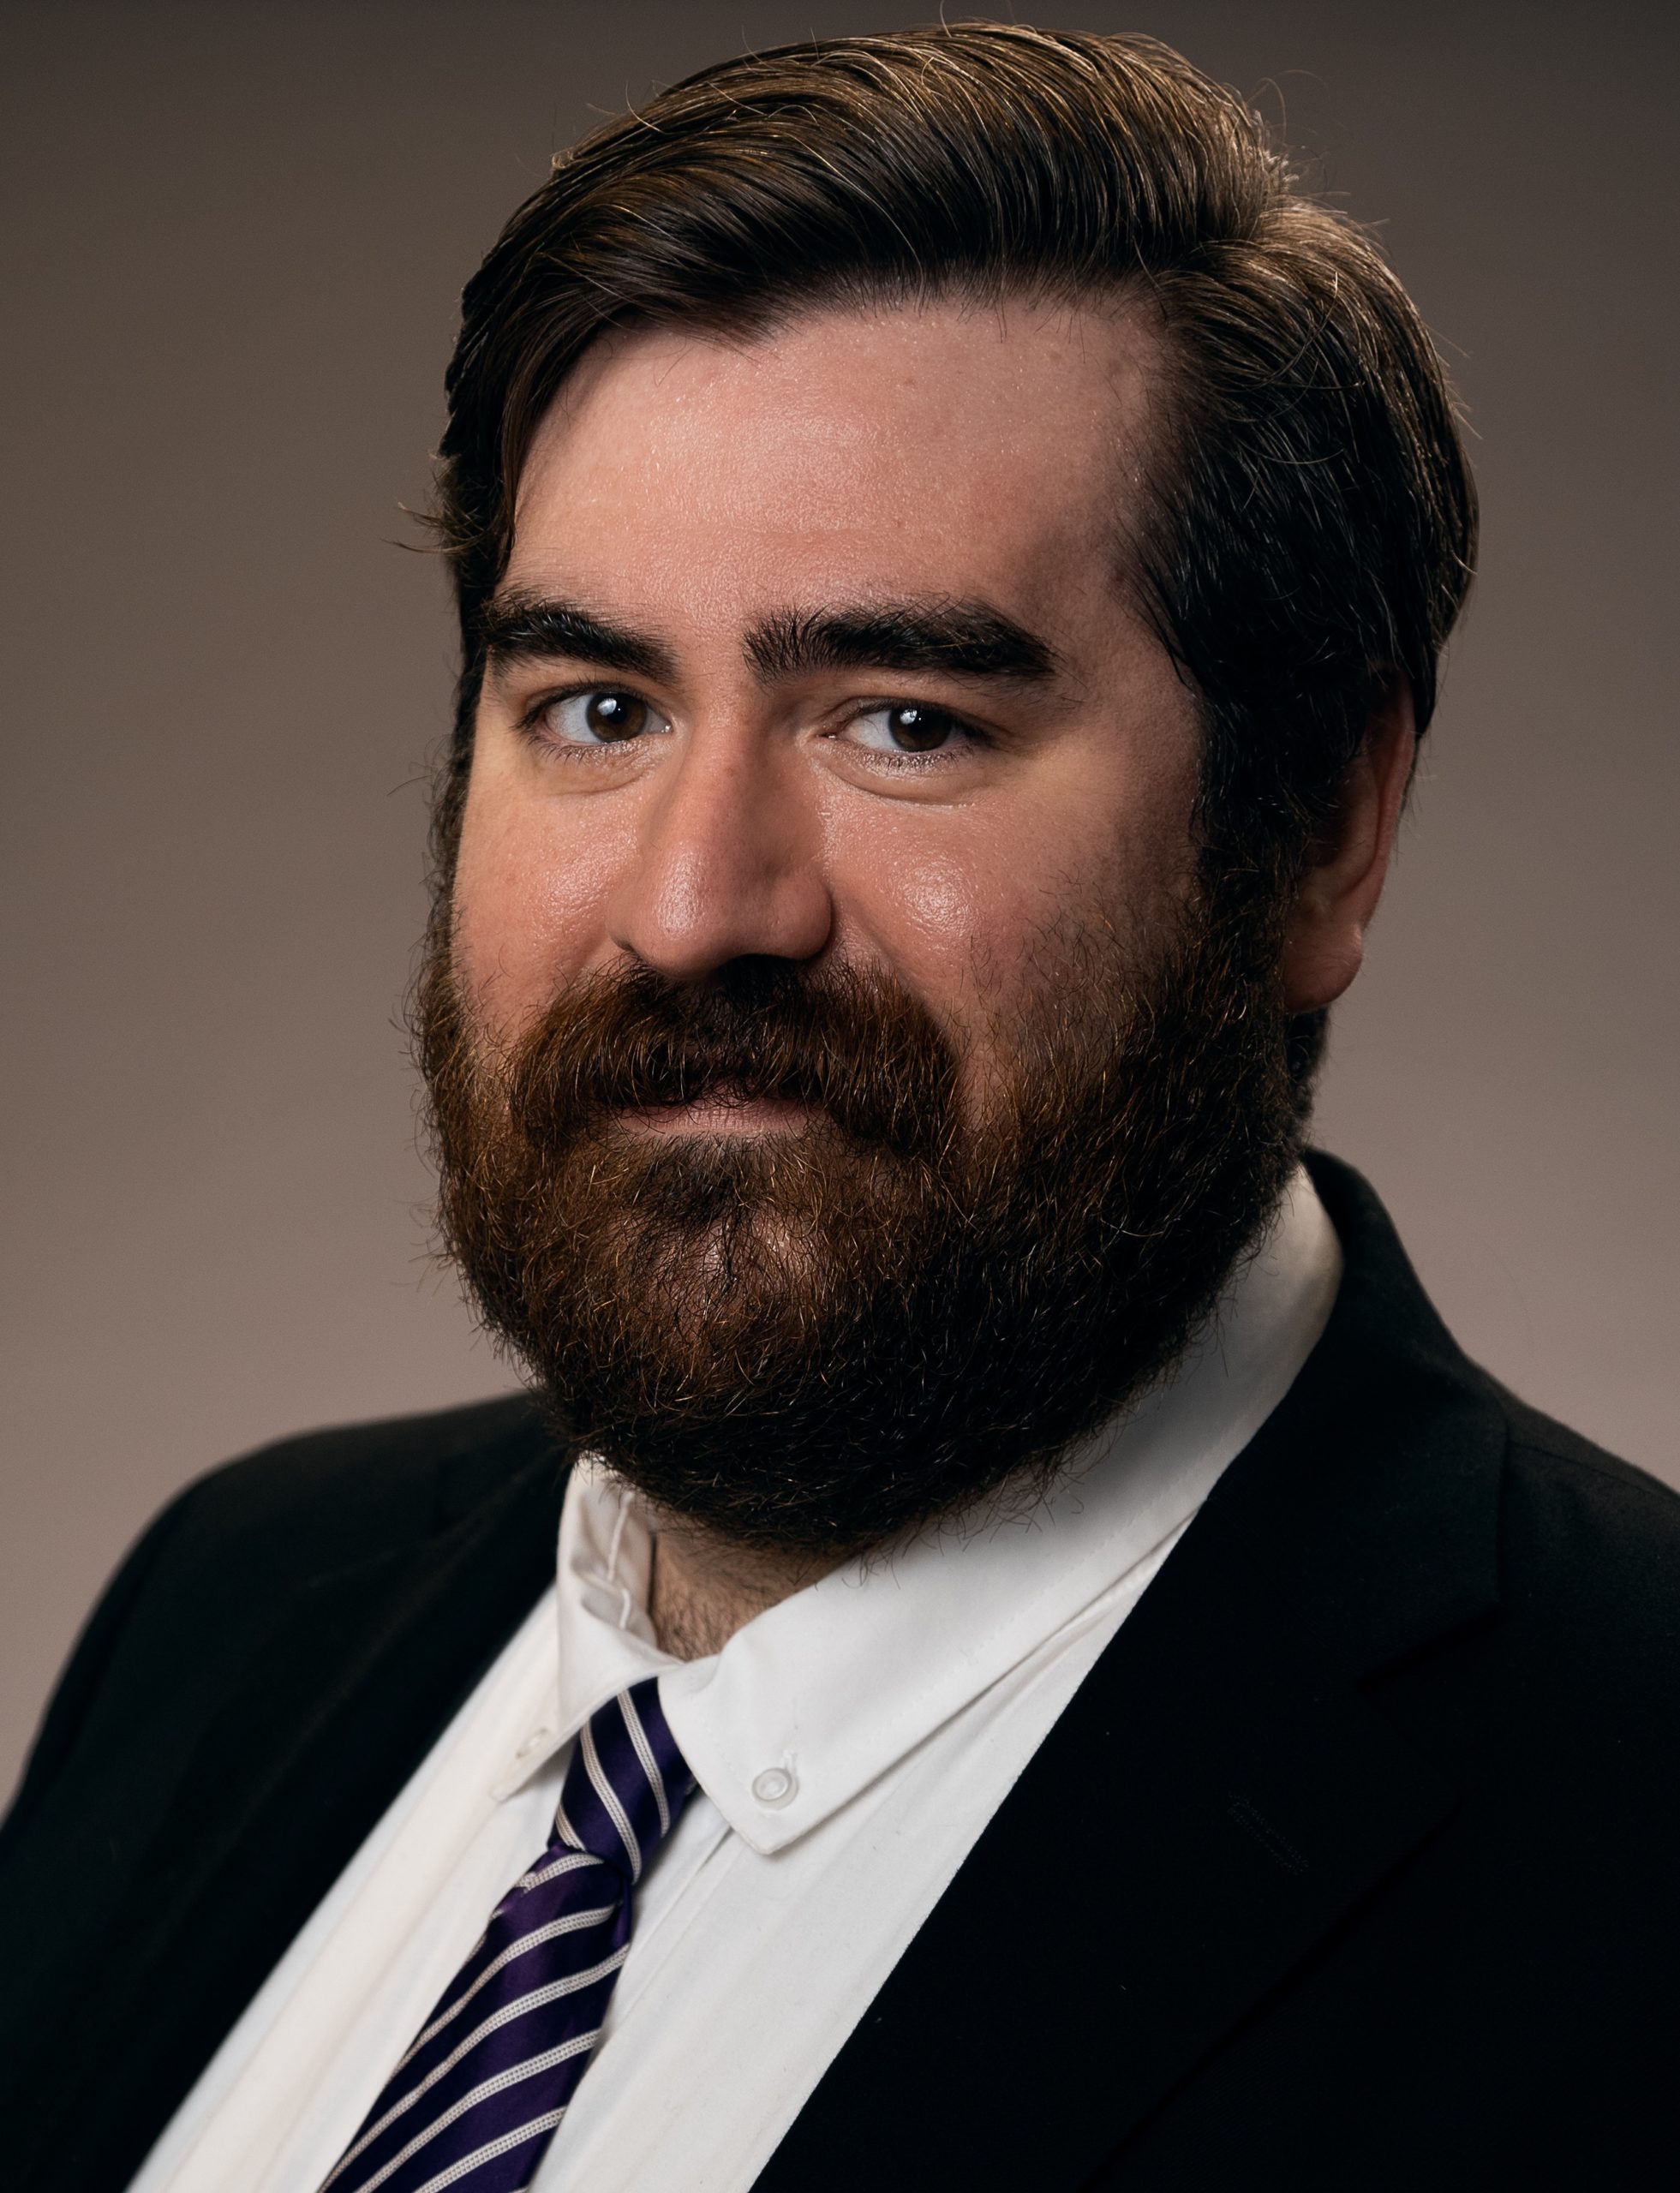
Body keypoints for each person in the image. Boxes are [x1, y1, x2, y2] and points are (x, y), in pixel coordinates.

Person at [3, 21, 1676, 2191]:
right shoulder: (233, 1605)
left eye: (907, 718)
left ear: (1327, 830)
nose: (697, 904)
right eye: (595, 704)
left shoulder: (1629, 1835)